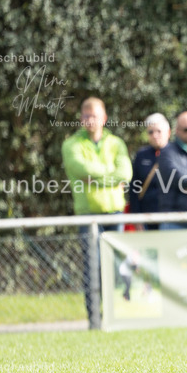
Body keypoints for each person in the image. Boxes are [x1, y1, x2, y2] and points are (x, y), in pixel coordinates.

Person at [61, 96, 132, 326]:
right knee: (93, 267)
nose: (90, 120)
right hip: (89, 215)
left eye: (94, 116)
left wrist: (97, 177)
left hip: (115, 213)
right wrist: (110, 178)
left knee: (116, 268)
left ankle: (117, 315)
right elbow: (81, 169)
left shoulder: (116, 143)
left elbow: (125, 174)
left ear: (104, 118)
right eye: (86, 116)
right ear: (81, 119)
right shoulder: (71, 144)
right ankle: (95, 320)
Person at [128, 113, 172, 230]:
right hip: (147, 217)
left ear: (168, 132)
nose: (155, 135)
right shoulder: (141, 155)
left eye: (158, 131)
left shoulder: (176, 154)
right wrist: (136, 217)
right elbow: (134, 188)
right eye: (150, 132)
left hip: (171, 217)